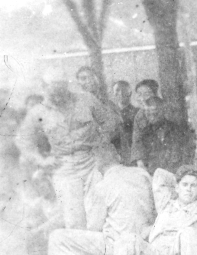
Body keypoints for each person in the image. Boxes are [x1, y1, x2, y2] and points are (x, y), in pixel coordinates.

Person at [16, 67, 122, 230]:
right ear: (44, 87)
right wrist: (42, 161)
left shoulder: (86, 99)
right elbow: (24, 140)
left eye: (61, 87)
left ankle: (99, 251)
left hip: (92, 162)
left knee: (98, 215)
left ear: (67, 85)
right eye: (53, 88)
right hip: (64, 166)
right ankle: (79, 253)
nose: (58, 92)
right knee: (74, 219)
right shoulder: (38, 111)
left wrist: (102, 141)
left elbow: (109, 122)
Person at [41, 164, 155, 255]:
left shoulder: (102, 185)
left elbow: (94, 226)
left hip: (116, 245)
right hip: (141, 243)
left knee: (57, 237)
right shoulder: (142, 175)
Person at [129, 97, 191, 175]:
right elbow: (140, 162)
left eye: (155, 113)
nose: (151, 117)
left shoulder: (177, 130)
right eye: (148, 114)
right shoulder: (144, 134)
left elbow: (187, 156)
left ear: (163, 111)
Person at [111, 80, 138, 164]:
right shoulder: (110, 113)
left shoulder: (137, 112)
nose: (121, 93)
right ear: (113, 94)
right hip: (115, 154)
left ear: (130, 93)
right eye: (117, 90)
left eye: (124, 90)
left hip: (132, 152)